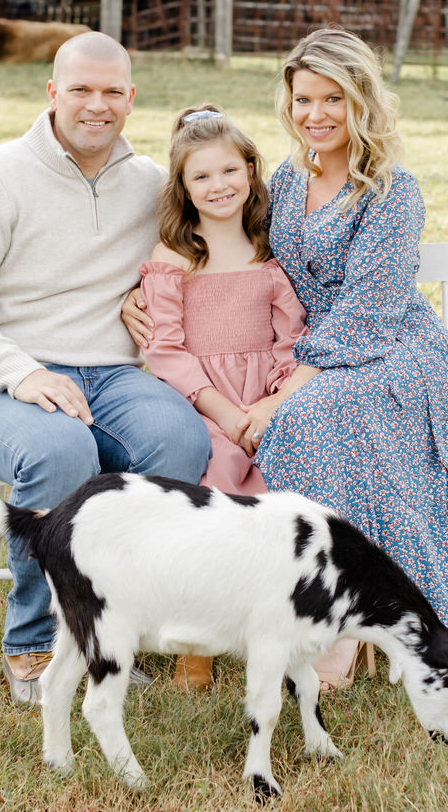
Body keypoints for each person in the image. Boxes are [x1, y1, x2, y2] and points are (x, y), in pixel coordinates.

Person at [127, 27, 448, 690]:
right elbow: (229, 247)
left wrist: (276, 395)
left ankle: (339, 633)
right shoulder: (288, 181)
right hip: (301, 348)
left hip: (385, 350)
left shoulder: (391, 191)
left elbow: (366, 312)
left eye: (333, 99)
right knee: (303, 420)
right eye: (302, 100)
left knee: (308, 418)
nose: (315, 115)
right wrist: (146, 297)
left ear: (361, 103)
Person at [0, 31, 211, 708]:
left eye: (113, 92)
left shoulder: (149, 186)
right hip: (5, 381)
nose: (96, 105)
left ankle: (115, 626)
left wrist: (158, 296)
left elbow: (201, 248)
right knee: (61, 450)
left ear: (132, 99)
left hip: (112, 373)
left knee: (181, 440)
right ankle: (35, 640)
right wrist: (17, 371)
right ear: (52, 92)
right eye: (80, 89)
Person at [139, 106, 312, 688]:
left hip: (266, 400)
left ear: (250, 171)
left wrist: (274, 401)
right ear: (183, 189)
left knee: (285, 490)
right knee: (210, 489)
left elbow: (293, 338)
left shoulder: (268, 254)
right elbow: (164, 350)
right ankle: (199, 640)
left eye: (229, 171)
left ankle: (278, 629)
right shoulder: (175, 260)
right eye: (201, 177)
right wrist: (224, 411)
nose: (219, 187)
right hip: (202, 401)